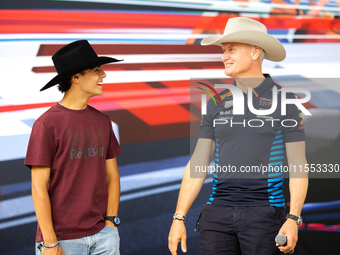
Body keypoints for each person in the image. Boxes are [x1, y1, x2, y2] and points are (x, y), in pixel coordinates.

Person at [168, 17, 308, 255]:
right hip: (216, 215)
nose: (224, 56)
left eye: (231, 49)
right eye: (223, 51)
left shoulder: (286, 101)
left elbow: (298, 165)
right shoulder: (216, 102)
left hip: (264, 214)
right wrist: (178, 217)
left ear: (255, 52)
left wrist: (293, 218)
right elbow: (199, 162)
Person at [25, 40, 123, 255]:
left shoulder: (103, 121)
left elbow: (112, 176)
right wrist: (50, 243)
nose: (103, 75)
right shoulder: (46, 124)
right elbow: (38, 188)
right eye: (97, 70)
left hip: (104, 236)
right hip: (61, 241)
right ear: (76, 77)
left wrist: (111, 223)